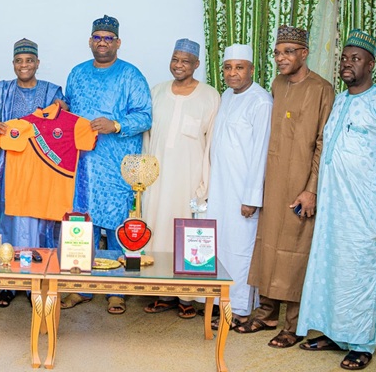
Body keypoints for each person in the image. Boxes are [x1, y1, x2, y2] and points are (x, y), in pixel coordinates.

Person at [297, 29, 376, 370]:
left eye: (356, 58)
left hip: (365, 208)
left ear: (371, 64)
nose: (348, 63)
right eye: (345, 58)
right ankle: (337, 333)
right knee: (334, 268)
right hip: (336, 207)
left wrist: (374, 175)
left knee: (361, 272)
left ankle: (362, 343)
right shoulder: (341, 100)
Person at [243, 26, 335, 348]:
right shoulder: (277, 84)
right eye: (277, 52)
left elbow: (324, 143)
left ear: (304, 54)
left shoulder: (323, 89)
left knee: (297, 253)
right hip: (274, 179)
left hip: (301, 185)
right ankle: (267, 313)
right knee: (268, 245)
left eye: (288, 52)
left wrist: (311, 189)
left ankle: (294, 326)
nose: (281, 58)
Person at [60, 15, 152, 315]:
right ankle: (82, 288)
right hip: (83, 165)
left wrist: (114, 124)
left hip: (116, 165)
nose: (102, 42)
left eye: (108, 38)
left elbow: (145, 117)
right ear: (90, 41)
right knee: (82, 225)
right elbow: (69, 111)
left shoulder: (131, 75)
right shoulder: (77, 74)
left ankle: (115, 290)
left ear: (118, 43)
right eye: (97, 37)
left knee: (115, 226)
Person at [141, 38, 219, 319]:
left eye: (185, 61)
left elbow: (211, 144)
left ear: (197, 65)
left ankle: (187, 296)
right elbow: (147, 137)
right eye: (175, 59)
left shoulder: (210, 96)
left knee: (185, 235)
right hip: (158, 178)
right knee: (158, 230)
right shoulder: (157, 92)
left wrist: (204, 185)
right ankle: (162, 292)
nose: (178, 65)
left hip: (189, 179)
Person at [0, 38, 64, 308]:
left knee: (38, 224)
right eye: (19, 61)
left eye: (29, 61)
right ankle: (9, 285)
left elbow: (62, 124)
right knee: (9, 223)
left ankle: (38, 284)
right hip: (8, 169)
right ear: (13, 64)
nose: (24, 65)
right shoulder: (1, 91)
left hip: (41, 171)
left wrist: (58, 112)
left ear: (37, 63)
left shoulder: (52, 91)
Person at [205, 44, 272, 329]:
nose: (233, 73)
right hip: (220, 186)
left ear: (252, 70)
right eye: (228, 67)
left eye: (239, 67)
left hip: (243, 191)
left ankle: (242, 310)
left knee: (241, 249)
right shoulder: (227, 96)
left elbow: (261, 153)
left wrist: (251, 197)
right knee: (223, 246)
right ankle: (224, 304)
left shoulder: (261, 102)